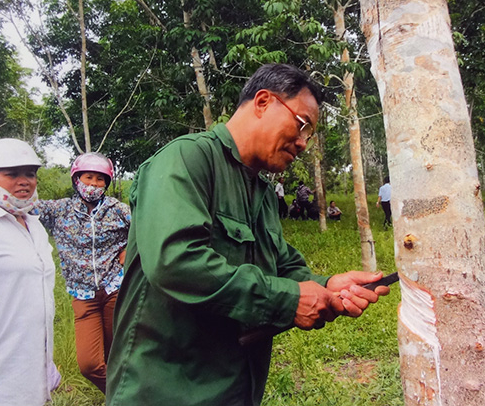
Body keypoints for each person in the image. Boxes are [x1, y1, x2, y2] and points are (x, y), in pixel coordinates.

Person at [106, 64, 390, 406]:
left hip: (234, 390)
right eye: (301, 126)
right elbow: (174, 261)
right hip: (166, 390)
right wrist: (287, 300)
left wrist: (328, 286)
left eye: (309, 135)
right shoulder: (187, 159)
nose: (302, 143)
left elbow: (283, 268)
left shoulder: (263, 194)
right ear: (262, 102)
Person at [0, 138, 59, 406]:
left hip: (31, 381)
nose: (24, 181)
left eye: (30, 173)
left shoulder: (35, 226)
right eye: (12, 174)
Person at [33, 152, 130, 394]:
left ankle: (125, 398)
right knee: (89, 364)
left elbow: (146, 225)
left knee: (118, 352)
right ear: (77, 179)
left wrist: (130, 248)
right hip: (83, 298)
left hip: (114, 291)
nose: (94, 185)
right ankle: (125, 396)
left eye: (100, 179)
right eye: (88, 177)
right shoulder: (60, 210)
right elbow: (22, 207)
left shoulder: (117, 210)